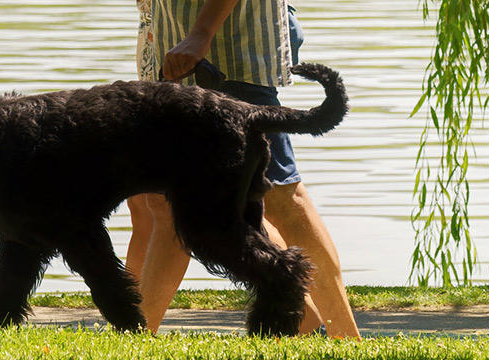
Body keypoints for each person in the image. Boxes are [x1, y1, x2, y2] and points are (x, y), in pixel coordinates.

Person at [126, 0, 361, 338]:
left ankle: (344, 338)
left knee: (281, 199)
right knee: (165, 204)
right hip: (173, 49)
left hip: (227, 55)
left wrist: (201, 34)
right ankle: (133, 336)